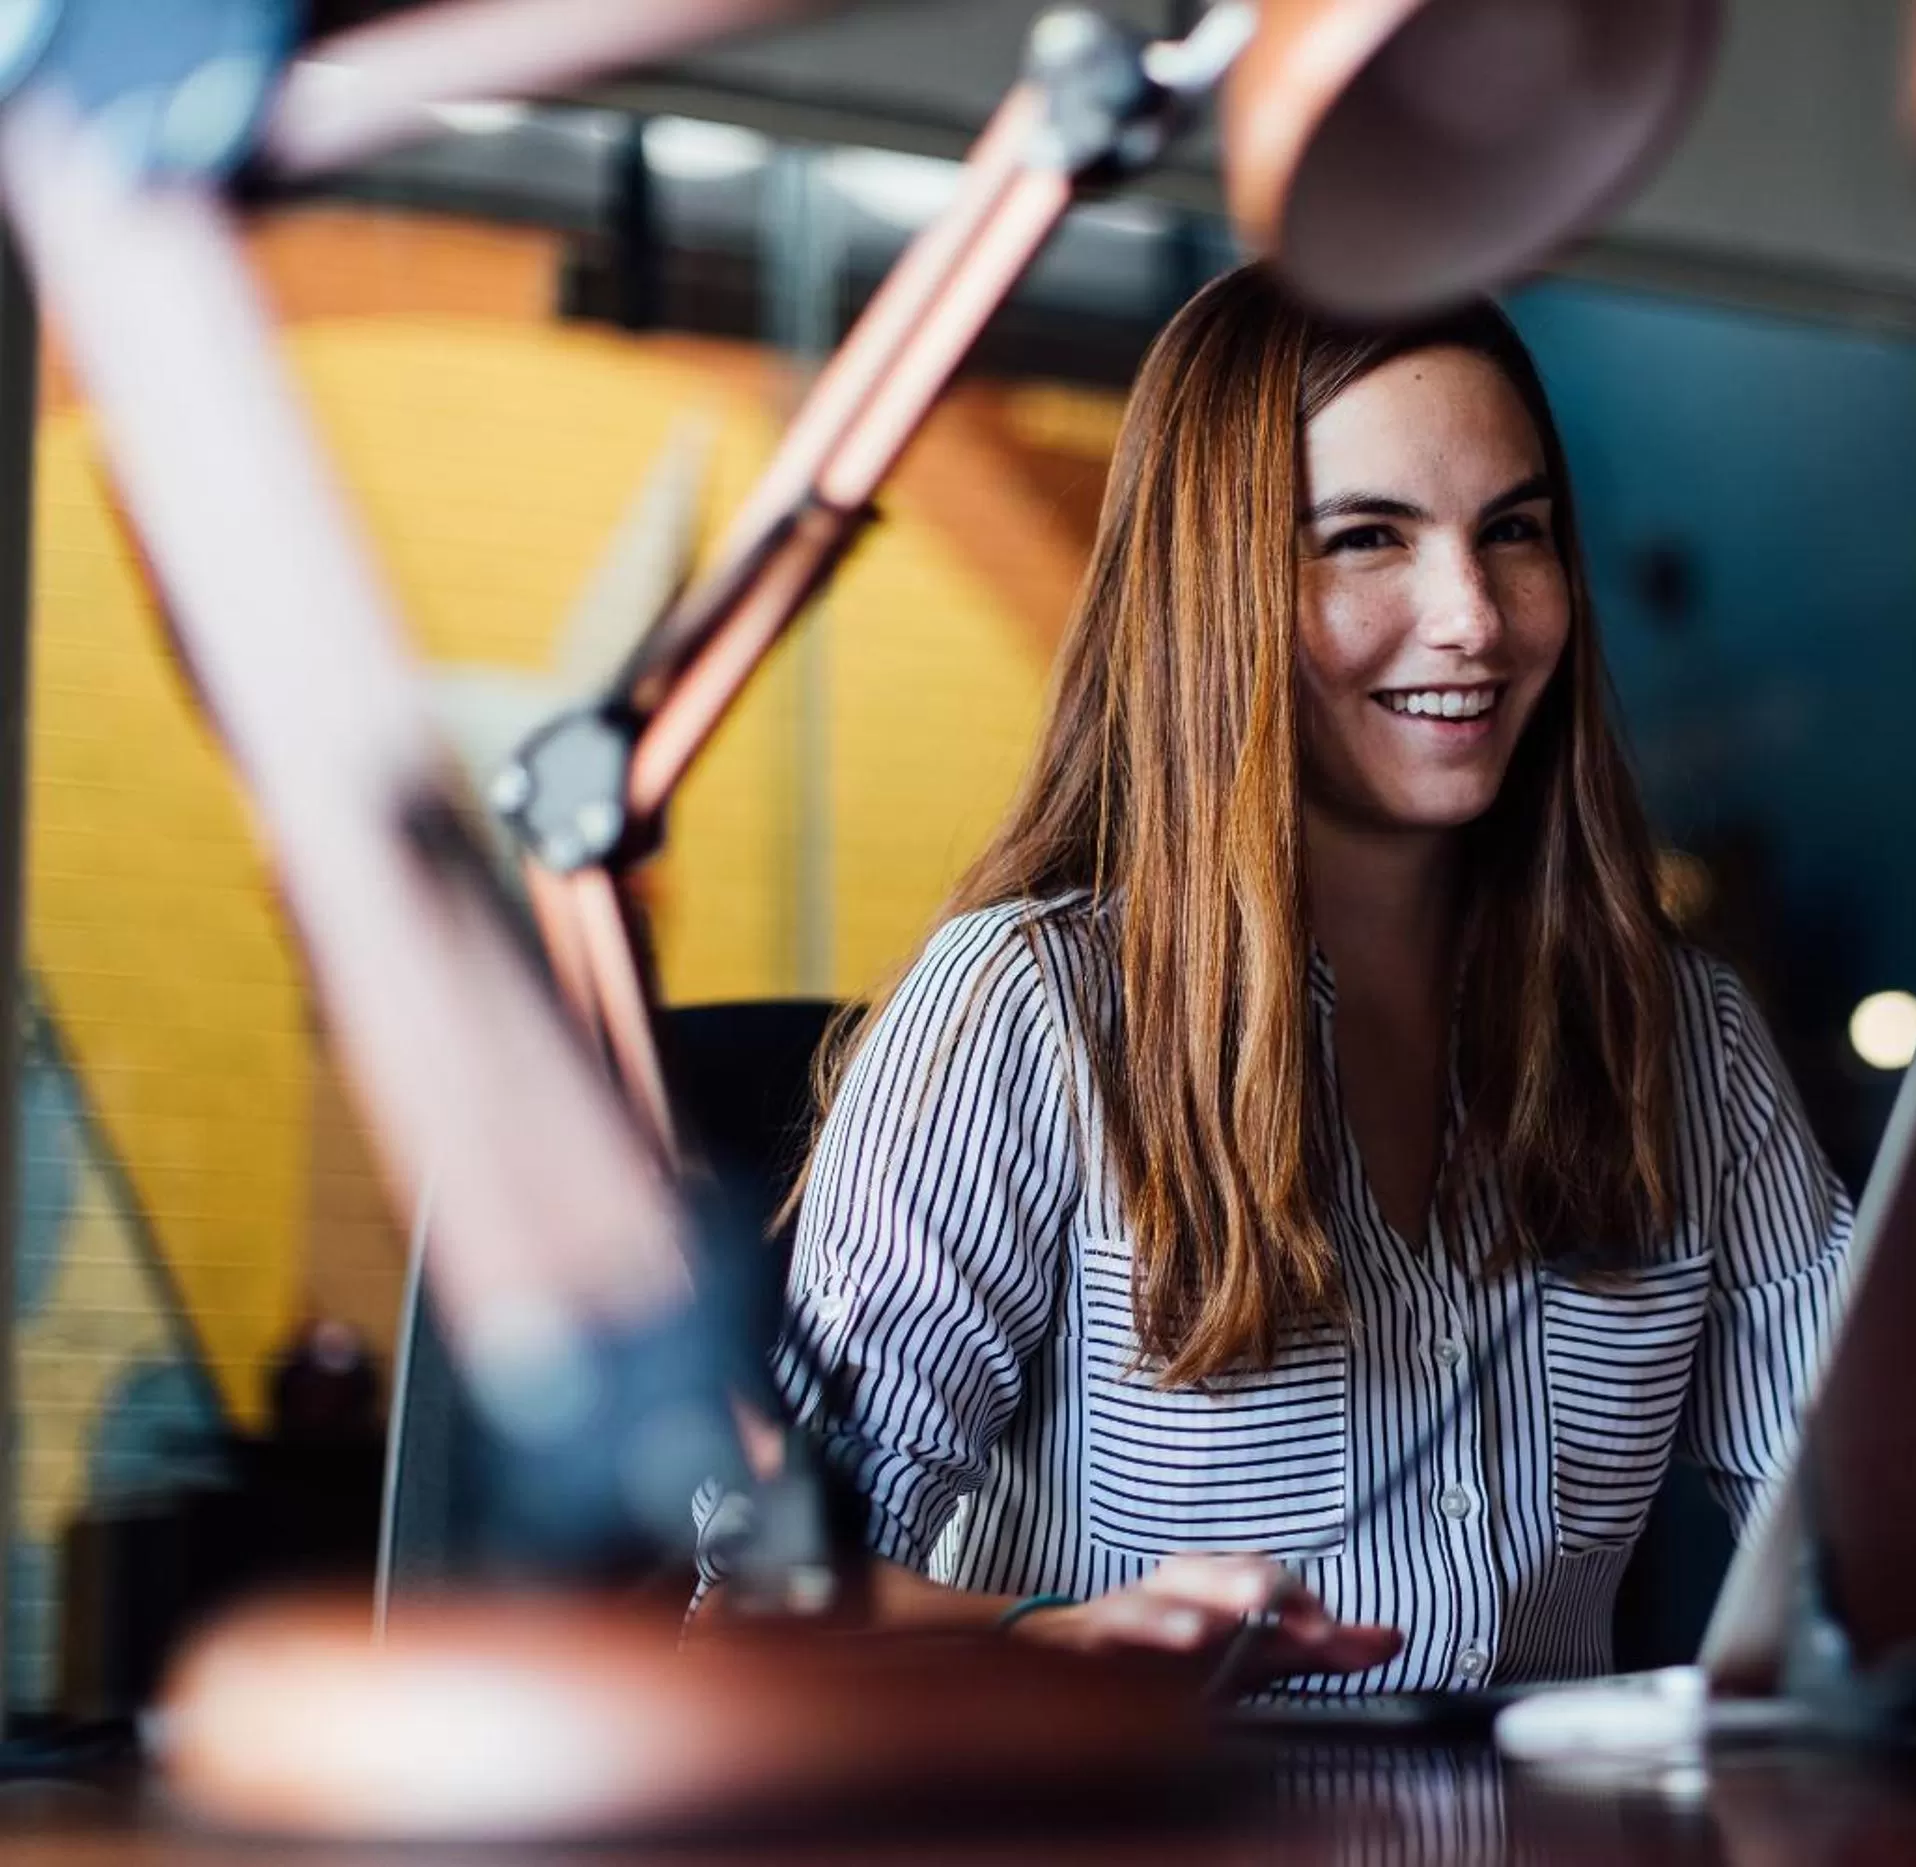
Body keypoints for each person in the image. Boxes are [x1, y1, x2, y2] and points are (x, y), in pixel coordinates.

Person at [741, 262, 1852, 1694]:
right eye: (1367, 539)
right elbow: (760, 1601)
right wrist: (1055, 1638)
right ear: (1218, 594)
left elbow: (1860, 1531)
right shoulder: (1030, 1009)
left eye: (1513, 532)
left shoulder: (1680, 1039)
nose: (1475, 617)